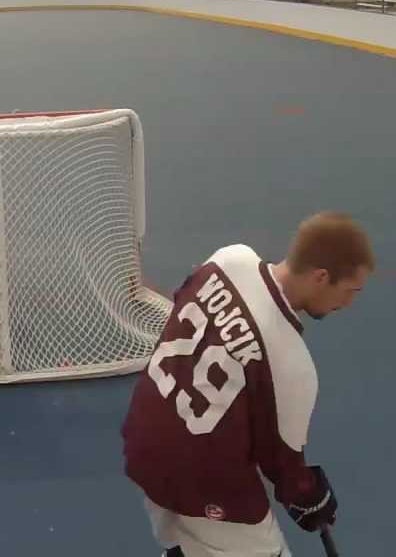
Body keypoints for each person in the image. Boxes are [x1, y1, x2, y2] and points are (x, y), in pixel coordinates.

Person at [122, 211, 374, 557]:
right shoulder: (292, 364)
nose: (348, 304)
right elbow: (284, 469)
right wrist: (313, 500)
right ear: (321, 277)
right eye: (349, 291)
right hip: (202, 482)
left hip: (143, 442)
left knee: (188, 546)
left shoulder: (228, 259)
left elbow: (182, 307)